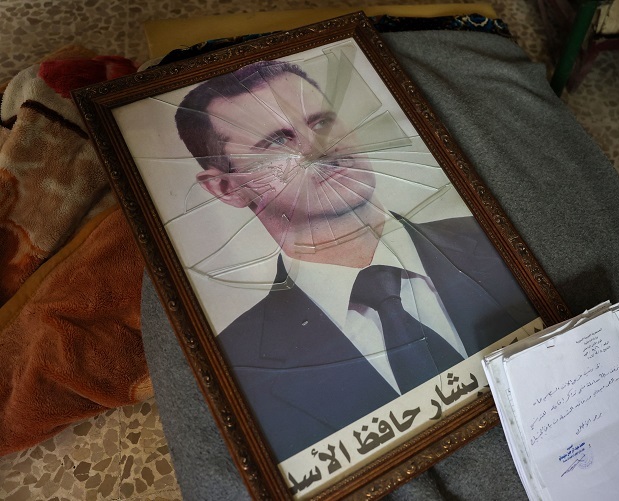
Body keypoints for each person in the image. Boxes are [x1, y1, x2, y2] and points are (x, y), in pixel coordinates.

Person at [174, 58, 537, 462]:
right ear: (227, 188)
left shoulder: (499, 234)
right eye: (276, 141)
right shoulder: (235, 367)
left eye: (321, 122)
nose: (319, 148)